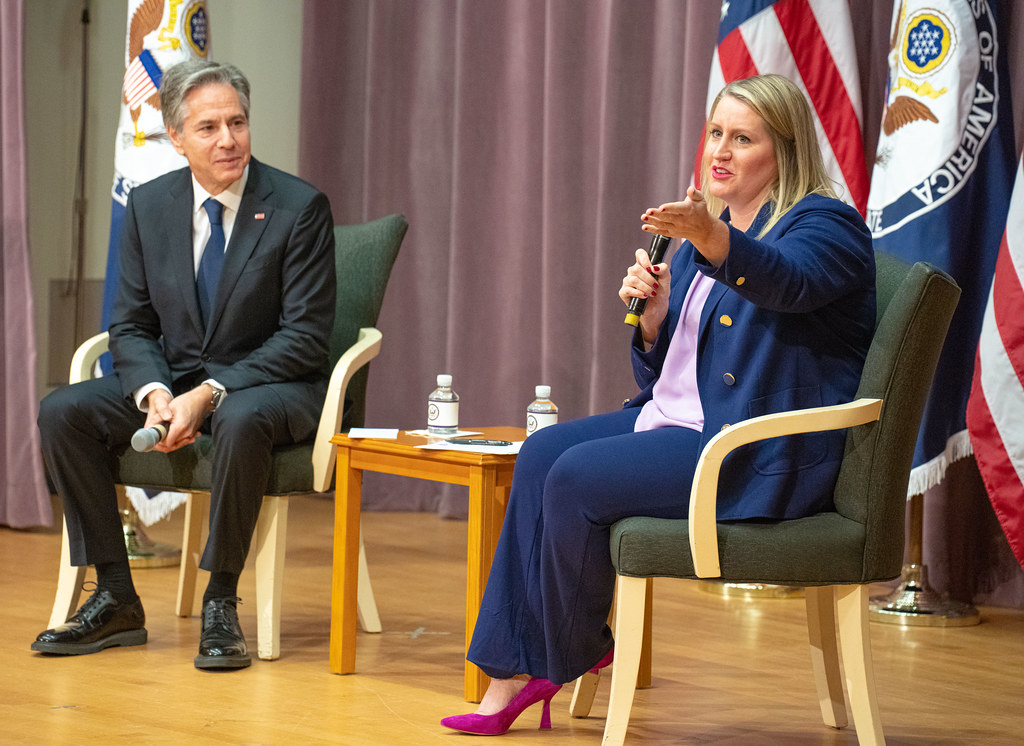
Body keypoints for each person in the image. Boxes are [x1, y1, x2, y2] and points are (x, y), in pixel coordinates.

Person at [440, 73, 875, 735]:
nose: (720, 151)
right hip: (683, 421)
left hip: (753, 451)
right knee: (540, 453)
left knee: (576, 478)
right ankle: (510, 674)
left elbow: (789, 283)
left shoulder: (826, 225)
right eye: (717, 134)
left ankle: (565, 656)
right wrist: (655, 321)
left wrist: (715, 242)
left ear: (783, 152)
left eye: (743, 138)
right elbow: (675, 368)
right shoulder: (724, 232)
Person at [32, 60, 336, 670]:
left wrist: (211, 391)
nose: (228, 139)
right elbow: (133, 324)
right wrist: (152, 393)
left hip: (271, 385)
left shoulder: (298, 207)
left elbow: (304, 337)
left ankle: (221, 598)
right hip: (172, 381)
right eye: (208, 127)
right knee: (63, 411)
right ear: (176, 136)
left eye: (238, 122)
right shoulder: (149, 205)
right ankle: (116, 595)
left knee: (243, 418)